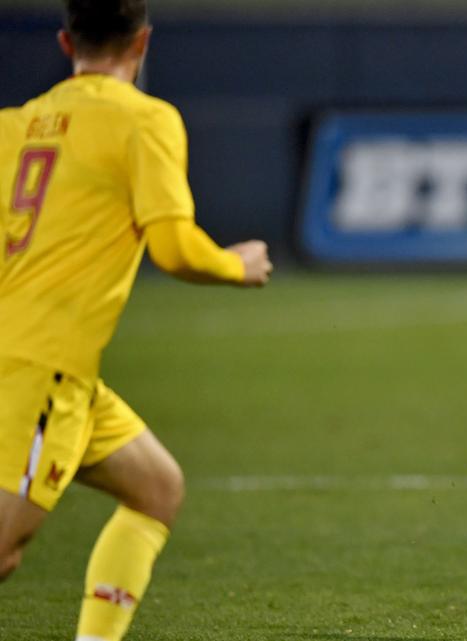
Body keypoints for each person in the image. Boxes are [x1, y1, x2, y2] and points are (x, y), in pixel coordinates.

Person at [0, 2, 272, 640]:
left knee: (156, 488)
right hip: (43, 370)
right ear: (142, 41)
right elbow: (174, 249)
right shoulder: (143, 119)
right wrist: (238, 266)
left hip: (50, 367)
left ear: (67, 42)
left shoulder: (14, 125)